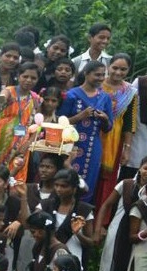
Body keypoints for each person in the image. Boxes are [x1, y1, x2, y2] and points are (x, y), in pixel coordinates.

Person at [96, 155, 147, 271]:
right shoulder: (126, 184)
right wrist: (98, 229)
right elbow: (107, 204)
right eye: (146, 167)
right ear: (140, 168)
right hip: (118, 233)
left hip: (138, 239)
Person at [61, 60, 113, 204]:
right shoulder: (72, 95)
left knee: (88, 181)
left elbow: (108, 128)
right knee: (68, 178)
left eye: (103, 75)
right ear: (86, 74)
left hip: (92, 146)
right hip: (71, 145)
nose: (101, 78)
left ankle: (81, 216)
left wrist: (104, 119)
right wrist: (80, 117)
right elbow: (60, 121)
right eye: (97, 75)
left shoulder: (105, 97)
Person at [94, 54, 137, 208]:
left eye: (123, 69)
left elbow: (129, 123)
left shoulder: (130, 92)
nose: (118, 72)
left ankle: (101, 217)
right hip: (94, 134)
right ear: (108, 67)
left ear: (128, 70)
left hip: (114, 140)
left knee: (107, 180)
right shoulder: (97, 85)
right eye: (115, 68)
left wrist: (127, 149)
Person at [0, 62, 41, 182]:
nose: (28, 80)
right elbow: (1, 98)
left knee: (15, 179)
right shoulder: (9, 91)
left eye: (33, 78)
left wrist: (28, 144)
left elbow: (38, 125)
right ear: (18, 76)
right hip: (0, 141)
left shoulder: (36, 99)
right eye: (25, 76)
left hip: (22, 146)